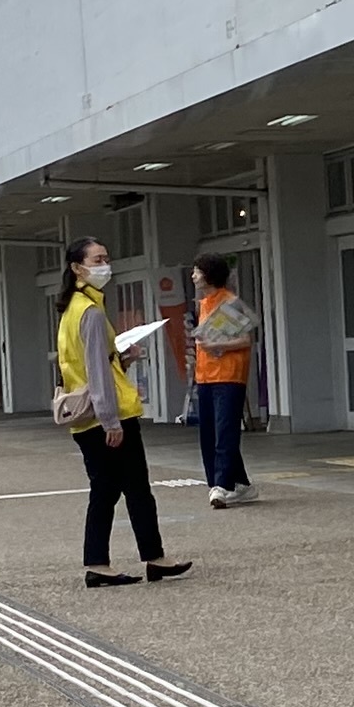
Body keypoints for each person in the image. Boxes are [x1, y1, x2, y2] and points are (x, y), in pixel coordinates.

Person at [52, 235, 189, 590]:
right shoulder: (91, 312)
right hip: (107, 416)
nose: (104, 265)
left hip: (86, 416)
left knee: (110, 488)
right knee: (132, 488)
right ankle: (138, 559)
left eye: (105, 258)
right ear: (77, 268)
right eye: (97, 260)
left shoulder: (72, 310)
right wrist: (111, 420)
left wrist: (121, 360)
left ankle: (119, 560)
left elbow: (86, 365)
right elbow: (96, 370)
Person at [188, 255, 259, 506]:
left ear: (208, 274)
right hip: (205, 375)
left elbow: (245, 341)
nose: (194, 276)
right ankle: (241, 484)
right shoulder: (203, 304)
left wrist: (216, 344)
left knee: (225, 430)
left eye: (197, 272)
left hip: (229, 375)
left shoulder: (230, 302)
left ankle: (221, 485)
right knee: (211, 432)